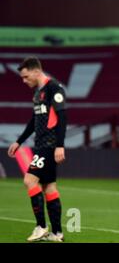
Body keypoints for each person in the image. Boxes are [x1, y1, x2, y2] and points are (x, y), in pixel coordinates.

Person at [7, 57, 67, 242]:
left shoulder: (53, 88)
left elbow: (62, 117)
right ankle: (57, 233)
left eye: (26, 77)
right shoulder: (37, 93)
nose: (25, 81)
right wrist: (19, 141)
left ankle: (41, 227)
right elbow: (35, 120)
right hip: (40, 144)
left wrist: (60, 145)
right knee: (49, 186)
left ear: (35, 71)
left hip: (49, 145)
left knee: (29, 180)